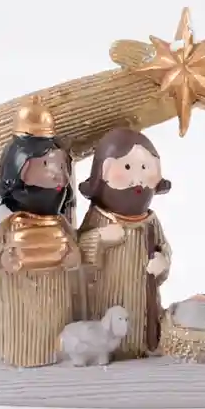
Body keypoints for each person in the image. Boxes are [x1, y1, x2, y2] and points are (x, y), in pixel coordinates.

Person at [0, 96, 81, 366]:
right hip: (18, 296)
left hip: (54, 294)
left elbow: (75, 251)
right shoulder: (6, 219)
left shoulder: (60, 220)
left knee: (54, 336)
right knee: (23, 338)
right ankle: (19, 359)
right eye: (46, 165)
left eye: (61, 166)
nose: (57, 174)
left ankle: (55, 357)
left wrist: (73, 256)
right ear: (19, 169)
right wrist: (1, 258)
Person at [77, 128, 172, 358]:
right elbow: (79, 250)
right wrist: (99, 238)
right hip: (106, 297)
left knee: (139, 327)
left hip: (142, 299)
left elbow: (164, 248)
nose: (137, 179)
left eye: (145, 168)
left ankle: (143, 346)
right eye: (127, 167)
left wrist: (163, 261)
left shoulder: (150, 221)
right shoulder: (98, 217)